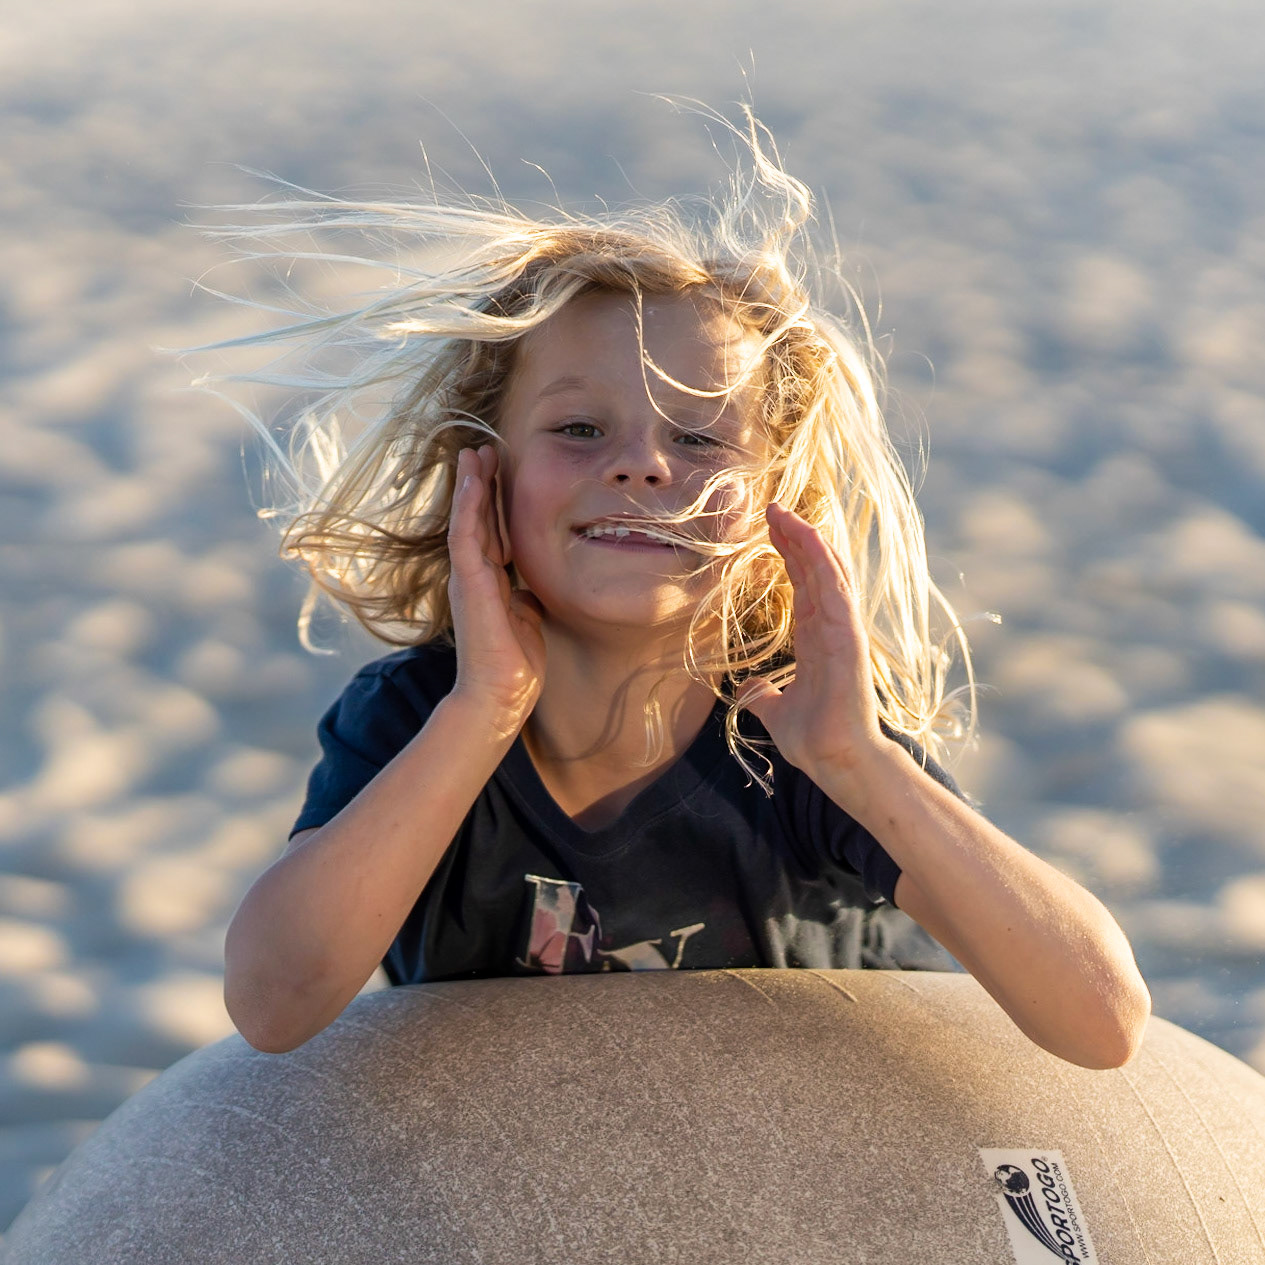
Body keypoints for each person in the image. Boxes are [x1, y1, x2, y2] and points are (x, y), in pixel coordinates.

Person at [216, 109, 1149, 1068]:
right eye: (579, 429)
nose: (642, 466)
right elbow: (273, 1004)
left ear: (776, 500)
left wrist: (859, 763)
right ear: (482, 473)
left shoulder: (800, 729)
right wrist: (483, 709)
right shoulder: (419, 715)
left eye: (699, 437)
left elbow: (1101, 1020)